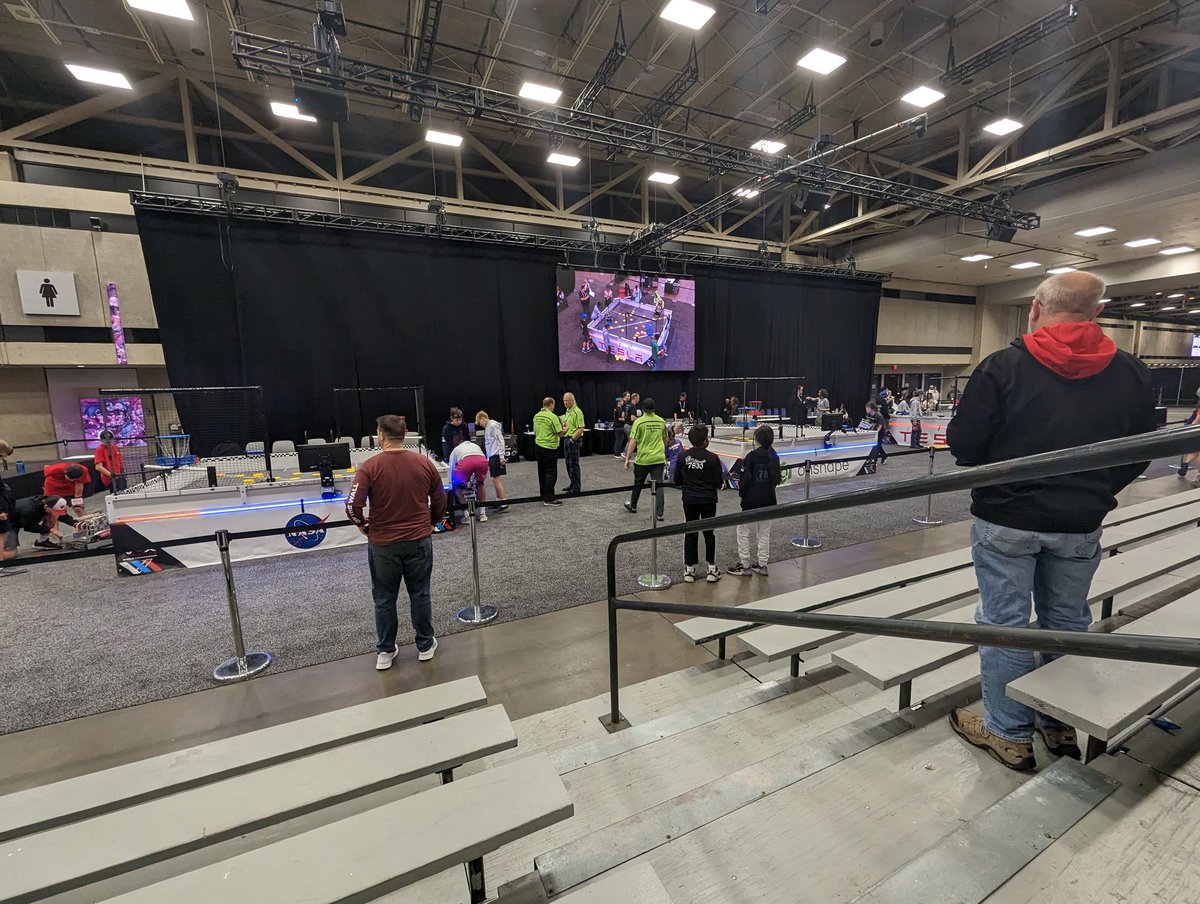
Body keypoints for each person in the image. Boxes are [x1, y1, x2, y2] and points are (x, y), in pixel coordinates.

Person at [946, 272, 1156, 771]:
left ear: (1035, 308)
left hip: (1006, 519)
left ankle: (1008, 732)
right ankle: (1057, 722)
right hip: (1081, 521)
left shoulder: (1004, 366)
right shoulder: (1131, 371)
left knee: (1005, 626)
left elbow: (964, 446)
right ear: (1098, 313)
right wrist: (1099, 488)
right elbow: (1144, 449)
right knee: (1066, 621)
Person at [346, 414, 447, 669]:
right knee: (420, 593)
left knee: (383, 598)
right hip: (418, 539)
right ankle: (425, 644)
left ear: (380, 435)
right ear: (405, 434)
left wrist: (363, 525)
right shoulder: (424, 463)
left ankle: (385, 651)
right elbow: (440, 499)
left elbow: (352, 506)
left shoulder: (369, 467)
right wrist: (431, 522)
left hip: (383, 544)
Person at [727, 424, 781, 577]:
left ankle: (745, 565)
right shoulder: (774, 456)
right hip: (769, 499)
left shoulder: (751, 456)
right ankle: (762, 564)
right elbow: (776, 479)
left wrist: (742, 496)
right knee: (764, 532)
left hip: (751, 500)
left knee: (743, 530)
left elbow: (745, 480)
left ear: (757, 439)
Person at [675, 425, 724, 584]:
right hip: (708, 499)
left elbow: (677, 480)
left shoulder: (683, 456)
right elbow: (718, 482)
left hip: (689, 499)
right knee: (709, 532)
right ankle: (711, 569)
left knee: (690, 531)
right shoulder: (713, 458)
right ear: (705, 441)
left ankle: (689, 569)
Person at [623, 397, 667, 520]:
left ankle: (633, 505)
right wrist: (662, 452)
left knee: (638, 483)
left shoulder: (639, 422)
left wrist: (627, 458)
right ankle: (659, 513)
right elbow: (665, 439)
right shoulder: (661, 422)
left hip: (643, 459)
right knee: (659, 485)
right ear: (654, 408)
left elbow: (633, 442)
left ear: (642, 409)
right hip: (658, 458)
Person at [447, 434, 491, 524]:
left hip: (466, 462)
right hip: (482, 461)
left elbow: (450, 469)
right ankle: (483, 514)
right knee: (480, 483)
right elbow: (483, 458)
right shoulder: (475, 445)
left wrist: (451, 483)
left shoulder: (455, 450)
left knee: (456, 487)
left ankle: (467, 516)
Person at [474, 411, 509, 512]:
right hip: (492, 455)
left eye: (480, 422)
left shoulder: (493, 425)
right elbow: (490, 444)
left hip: (497, 455)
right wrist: (488, 458)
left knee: (495, 479)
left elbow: (500, 440)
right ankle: (499, 501)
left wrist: (502, 456)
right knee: (495, 479)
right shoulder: (488, 427)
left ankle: (504, 502)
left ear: (483, 418)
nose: (480, 425)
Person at [533, 396, 565, 506]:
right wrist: (566, 429)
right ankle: (550, 499)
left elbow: (535, 432)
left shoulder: (536, 416)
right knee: (551, 473)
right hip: (550, 448)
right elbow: (560, 433)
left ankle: (543, 495)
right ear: (551, 405)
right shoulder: (552, 417)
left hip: (538, 446)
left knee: (541, 471)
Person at [560, 392, 585, 495]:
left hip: (573, 440)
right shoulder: (567, 411)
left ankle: (576, 488)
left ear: (572, 400)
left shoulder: (577, 411)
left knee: (574, 465)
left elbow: (581, 428)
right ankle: (572, 483)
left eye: (567, 401)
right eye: (564, 401)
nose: (565, 403)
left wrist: (572, 440)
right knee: (568, 464)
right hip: (566, 439)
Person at [612, 393, 630, 458]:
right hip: (619, 426)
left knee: (618, 440)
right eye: (622, 401)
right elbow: (620, 418)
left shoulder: (615, 408)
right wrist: (625, 419)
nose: (623, 402)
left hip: (616, 426)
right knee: (619, 440)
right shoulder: (619, 409)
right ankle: (617, 454)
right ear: (618, 402)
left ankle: (617, 453)